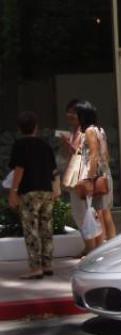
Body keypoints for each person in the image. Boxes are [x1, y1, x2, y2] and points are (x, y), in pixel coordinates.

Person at [8, 111, 59, 279]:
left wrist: (13, 192)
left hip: (29, 191)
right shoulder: (45, 145)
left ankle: (35, 267)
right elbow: (54, 170)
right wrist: (56, 189)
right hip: (46, 190)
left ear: (20, 129)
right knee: (46, 228)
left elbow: (19, 169)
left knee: (31, 229)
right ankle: (48, 265)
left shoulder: (20, 145)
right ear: (36, 127)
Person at [75, 100, 116, 246]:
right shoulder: (100, 130)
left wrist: (89, 177)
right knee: (105, 212)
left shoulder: (89, 131)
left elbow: (93, 154)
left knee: (98, 212)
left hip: (96, 176)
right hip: (105, 174)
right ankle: (111, 246)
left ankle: (101, 249)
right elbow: (106, 155)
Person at [60, 99, 95, 256]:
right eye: (69, 111)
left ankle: (91, 247)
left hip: (83, 177)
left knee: (83, 212)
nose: (70, 115)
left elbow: (83, 153)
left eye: (74, 112)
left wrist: (69, 144)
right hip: (76, 177)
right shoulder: (74, 131)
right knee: (79, 212)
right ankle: (89, 245)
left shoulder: (85, 131)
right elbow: (69, 155)